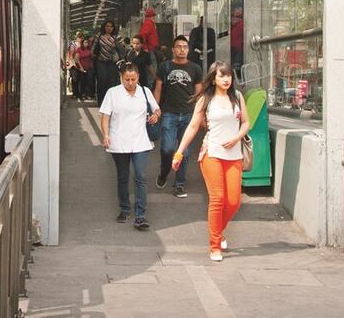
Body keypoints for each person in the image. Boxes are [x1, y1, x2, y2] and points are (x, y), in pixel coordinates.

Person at [171, 60, 252, 262]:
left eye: (228, 76)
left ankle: (218, 230)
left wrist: (236, 137)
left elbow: (246, 123)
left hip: (234, 156)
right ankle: (214, 245)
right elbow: (192, 127)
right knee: (217, 200)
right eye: (221, 76)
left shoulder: (238, 96)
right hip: (212, 154)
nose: (226, 79)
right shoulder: (205, 99)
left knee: (233, 202)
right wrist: (179, 152)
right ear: (213, 79)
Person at [99, 62, 160, 231]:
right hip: (118, 141)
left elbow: (157, 109)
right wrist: (105, 135)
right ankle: (125, 209)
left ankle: (140, 215)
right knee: (123, 176)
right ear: (121, 78)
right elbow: (104, 116)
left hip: (141, 141)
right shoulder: (113, 93)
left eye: (133, 79)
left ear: (138, 77)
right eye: (127, 79)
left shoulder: (145, 92)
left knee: (140, 176)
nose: (130, 83)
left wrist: (155, 115)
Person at [154, 35, 203, 198]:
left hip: (189, 115)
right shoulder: (164, 67)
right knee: (167, 148)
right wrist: (155, 108)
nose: (182, 49)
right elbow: (158, 89)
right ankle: (164, 172)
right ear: (173, 49)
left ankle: (179, 183)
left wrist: (200, 113)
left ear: (188, 50)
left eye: (185, 47)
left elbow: (199, 93)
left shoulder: (195, 68)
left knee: (185, 152)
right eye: (179, 46)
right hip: (169, 113)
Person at [93, 20, 124, 107]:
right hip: (100, 61)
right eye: (107, 26)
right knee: (101, 80)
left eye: (111, 26)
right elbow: (94, 47)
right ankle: (101, 101)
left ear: (113, 28)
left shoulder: (117, 37)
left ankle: (110, 102)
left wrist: (117, 46)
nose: (109, 28)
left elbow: (122, 49)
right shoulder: (99, 35)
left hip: (112, 62)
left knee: (111, 82)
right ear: (104, 27)